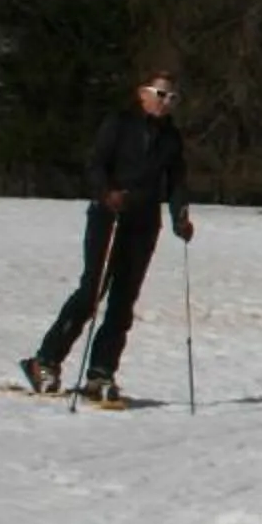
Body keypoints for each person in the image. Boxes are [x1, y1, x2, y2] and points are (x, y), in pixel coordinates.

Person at [20, 70, 194, 405]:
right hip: (108, 217)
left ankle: (101, 371)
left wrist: (180, 217)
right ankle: (45, 361)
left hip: (143, 222)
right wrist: (107, 193)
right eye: (160, 94)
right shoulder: (120, 123)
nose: (165, 102)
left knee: (123, 301)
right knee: (92, 290)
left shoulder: (171, 138)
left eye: (172, 97)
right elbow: (95, 164)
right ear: (142, 93)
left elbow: (176, 182)